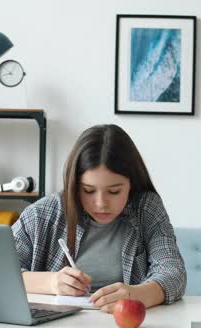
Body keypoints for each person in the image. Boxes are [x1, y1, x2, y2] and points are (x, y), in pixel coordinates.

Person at [12, 124, 186, 312]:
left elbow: (173, 272)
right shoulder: (42, 214)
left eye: (114, 191)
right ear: (74, 185)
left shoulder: (146, 208)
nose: (101, 203)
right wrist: (51, 282)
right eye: (88, 190)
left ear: (131, 184)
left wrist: (137, 295)